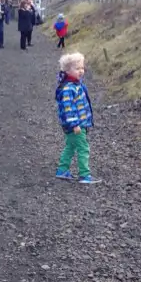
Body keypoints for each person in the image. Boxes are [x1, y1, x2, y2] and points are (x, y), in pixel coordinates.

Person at [55, 53, 101, 184]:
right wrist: (75, 124)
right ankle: (84, 175)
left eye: (82, 68)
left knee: (70, 146)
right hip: (76, 126)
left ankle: (62, 170)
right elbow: (68, 108)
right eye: (77, 68)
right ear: (67, 71)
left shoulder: (76, 85)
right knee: (83, 148)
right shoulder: (68, 88)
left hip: (79, 124)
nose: (81, 71)